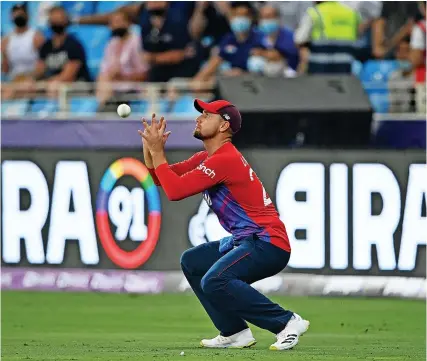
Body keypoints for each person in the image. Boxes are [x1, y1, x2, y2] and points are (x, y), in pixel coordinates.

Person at [139, 100, 310, 351]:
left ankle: (287, 322)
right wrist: (149, 147)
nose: (199, 119)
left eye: (206, 115)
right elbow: (159, 178)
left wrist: (157, 153)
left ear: (223, 126)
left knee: (215, 280)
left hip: (267, 242)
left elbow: (175, 191)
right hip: (248, 240)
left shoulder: (225, 159)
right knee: (193, 262)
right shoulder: (206, 158)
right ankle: (234, 332)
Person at [192, 2, 263, 89]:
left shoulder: (260, 38)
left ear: (251, 17)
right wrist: (198, 80)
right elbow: (214, 62)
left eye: (244, 15)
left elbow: (269, 67)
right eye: (236, 15)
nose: (240, 19)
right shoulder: (229, 39)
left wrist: (243, 74)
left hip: (258, 86)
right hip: (235, 87)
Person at [96, 10, 148, 111]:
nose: (117, 25)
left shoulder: (137, 43)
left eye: (120, 21)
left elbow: (144, 74)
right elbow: (105, 70)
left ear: (128, 23)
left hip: (132, 91)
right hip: (112, 90)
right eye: (114, 22)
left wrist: (122, 76)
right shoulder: (111, 44)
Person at [35, 5, 91, 97]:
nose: (56, 22)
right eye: (53, 19)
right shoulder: (46, 46)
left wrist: (47, 82)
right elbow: (39, 71)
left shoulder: (74, 44)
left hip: (78, 84)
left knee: (54, 87)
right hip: (52, 83)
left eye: (59, 19)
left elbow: (68, 76)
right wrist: (28, 79)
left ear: (66, 21)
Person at [294, 1, 360, 74]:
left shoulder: (315, 12)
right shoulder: (351, 13)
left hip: (319, 68)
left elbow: (299, 39)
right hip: (345, 68)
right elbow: (358, 37)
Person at [1, 3, 45, 99]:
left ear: (28, 16)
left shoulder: (37, 37)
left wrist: (28, 78)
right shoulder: (6, 40)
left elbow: (42, 65)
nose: (19, 16)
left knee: (23, 87)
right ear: (11, 16)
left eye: (21, 13)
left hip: (32, 80)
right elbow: (5, 69)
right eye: (16, 13)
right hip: (13, 80)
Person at [248, 4, 299, 77]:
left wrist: (266, 54)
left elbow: (289, 57)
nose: (265, 20)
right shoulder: (258, 35)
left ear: (277, 18)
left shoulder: (289, 36)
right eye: (263, 17)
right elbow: (252, 51)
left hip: (286, 75)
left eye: (269, 17)